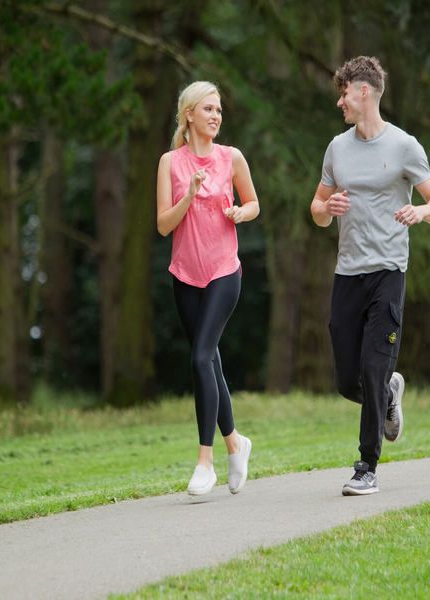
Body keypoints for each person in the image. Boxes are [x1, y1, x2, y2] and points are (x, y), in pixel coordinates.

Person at [309, 56, 430, 496]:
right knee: (348, 380)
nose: (340, 102)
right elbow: (316, 208)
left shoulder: (405, 147)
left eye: (344, 93)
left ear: (363, 92)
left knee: (370, 368)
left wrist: (420, 211)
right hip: (347, 273)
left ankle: (366, 465)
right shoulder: (337, 148)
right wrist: (325, 211)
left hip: (389, 271)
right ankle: (388, 395)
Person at [156, 81, 260, 496]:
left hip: (223, 272)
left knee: (200, 357)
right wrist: (190, 196)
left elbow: (254, 203)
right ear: (189, 116)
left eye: (219, 110)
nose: (216, 116)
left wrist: (240, 212)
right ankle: (236, 442)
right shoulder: (169, 163)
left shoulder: (231, 158)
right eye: (209, 110)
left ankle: (206, 460)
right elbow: (164, 224)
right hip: (184, 275)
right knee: (210, 362)